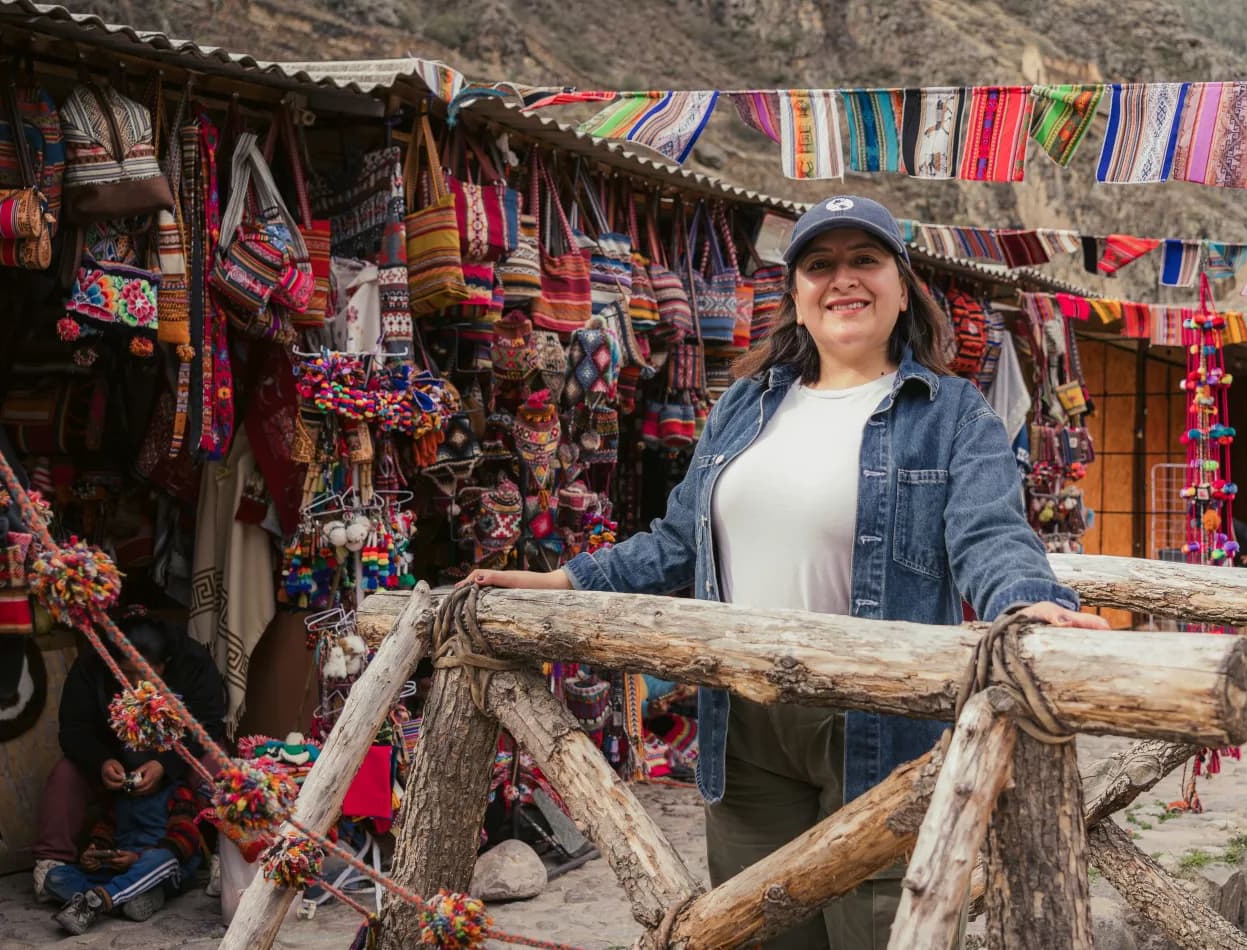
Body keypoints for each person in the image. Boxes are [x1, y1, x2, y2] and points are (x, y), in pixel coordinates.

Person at [463, 194, 1107, 949]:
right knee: (760, 932)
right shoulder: (744, 405)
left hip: (876, 726)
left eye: (864, 260)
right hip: (743, 728)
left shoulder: (954, 414)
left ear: (902, 288)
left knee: (878, 931)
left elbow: (990, 533)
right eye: (819, 265)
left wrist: (1027, 602)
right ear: (796, 297)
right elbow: (679, 541)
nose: (843, 280)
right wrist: (567, 581)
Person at [32, 611, 227, 932]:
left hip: (176, 760)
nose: (137, 686)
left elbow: (208, 724)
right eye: (126, 675)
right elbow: (74, 730)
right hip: (113, 767)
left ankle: (224, 859)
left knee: (214, 762)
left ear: (166, 663)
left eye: (147, 675)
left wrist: (165, 765)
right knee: (65, 775)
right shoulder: (92, 666)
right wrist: (101, 762)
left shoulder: (191, 661)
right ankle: (64, 869)